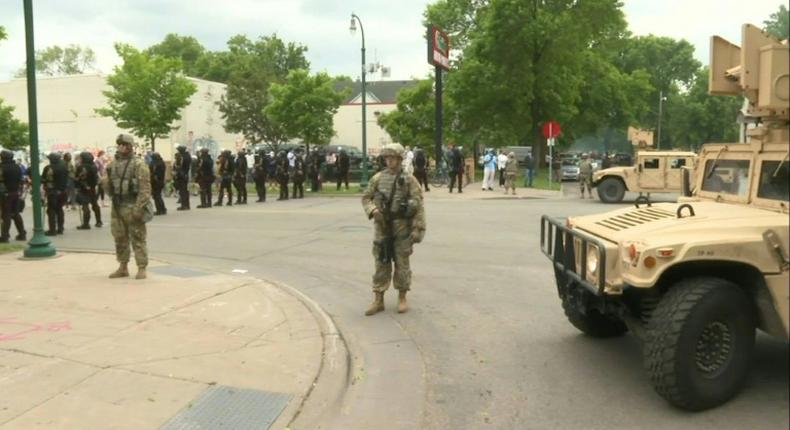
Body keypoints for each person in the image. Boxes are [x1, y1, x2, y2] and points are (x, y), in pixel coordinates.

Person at [361, 143, 426, 316]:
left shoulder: (410, 180)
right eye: (387, 158)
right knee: (381, 261)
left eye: (392, 158)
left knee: (402, 262)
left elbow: (418, 205)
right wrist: (373, 210)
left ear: (399, 159)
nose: (389, 161)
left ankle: (402, 297)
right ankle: (378, 299)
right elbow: (366, 198)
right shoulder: (377, 178)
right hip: (382, 225)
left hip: (401, 226)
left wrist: (417, 229)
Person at [104, 134, 152, 280]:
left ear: (130, 146)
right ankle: (123, 266)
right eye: (119, 144)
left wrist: (139, 208)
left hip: (132, 205)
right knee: (119, 237)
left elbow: (145, 189)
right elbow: (109, 185)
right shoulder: (112, 165)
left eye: (124, 145)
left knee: (138, 237)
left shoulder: (139, 165)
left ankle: (141, 267)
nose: (121, 147)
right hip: (118, 205)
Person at [0, 149, 26, 242]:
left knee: (6, 215)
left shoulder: (1, 167)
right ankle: (22, 234)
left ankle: (4, 236)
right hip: (16, 193)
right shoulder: (17, 167)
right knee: (15, 214)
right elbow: (21, 180)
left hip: (5, 194)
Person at [74, 151, 103, 229]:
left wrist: (76, 185)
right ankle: (99, 221)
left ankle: (86, 224)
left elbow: (77, 178)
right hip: (93, 188)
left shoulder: (81, 167)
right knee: (95, 205)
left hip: (83, 188)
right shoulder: (94, 166)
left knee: (85, 205)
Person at [42, 152, 68, 236]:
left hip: (52, 192)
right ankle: (60, 228)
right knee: (59, 209)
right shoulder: (64, 167)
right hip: (63, 191)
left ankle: (52, 230)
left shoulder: (49, 168)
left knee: (51, 210)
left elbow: (44, 179)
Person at [173, 145, 191, 211]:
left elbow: (178, 166)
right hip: (186, 174)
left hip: (181, 175)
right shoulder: (188, 156)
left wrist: (176, 174)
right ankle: (187, 205)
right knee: (185, 190)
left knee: (182, 190)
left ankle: (184, 205)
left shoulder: (181, 157)